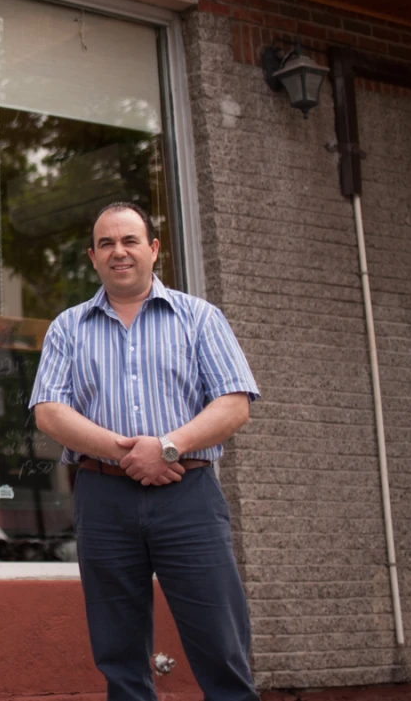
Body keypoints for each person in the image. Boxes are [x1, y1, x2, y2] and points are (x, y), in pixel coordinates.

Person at [30, 201, 261, 701]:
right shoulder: (67, 327)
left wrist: (169, 448)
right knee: (119, 653)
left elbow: (234, 404)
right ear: (92, 257)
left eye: (130, 240)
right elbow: (49, 411)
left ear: (154, 250)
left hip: (189, 496)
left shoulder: (199, 318)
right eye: (107, 244)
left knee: (220, 643)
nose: (119, 252)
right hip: (104, 498)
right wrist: (130, 452)